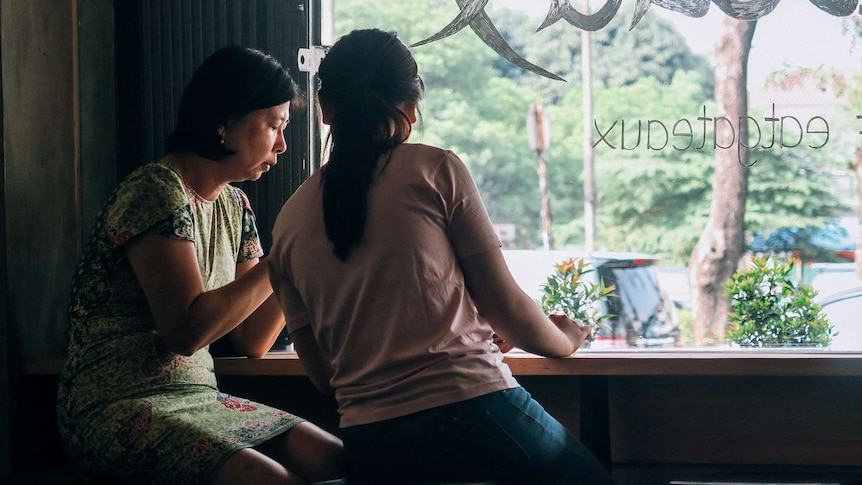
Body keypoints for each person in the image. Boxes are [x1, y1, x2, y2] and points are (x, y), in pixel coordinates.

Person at [268, 28, 616, 485]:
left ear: (325, 110)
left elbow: (324, 376)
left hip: (370, 442)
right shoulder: (435, 170)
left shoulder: (286, 224)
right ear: (410, 108)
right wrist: (565, 337)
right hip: (470, 408)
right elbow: (507, 309)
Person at [56, 46, 344, 485]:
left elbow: (253, 339)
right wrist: (282, 255)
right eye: (274, 126)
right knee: (271, 480)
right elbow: (185, 332)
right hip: (115, 403)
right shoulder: (156, 189)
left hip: (198, 398)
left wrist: (301, 255)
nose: (283, 144)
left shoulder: (235, 204)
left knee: (340, 461)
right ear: (225, 123)